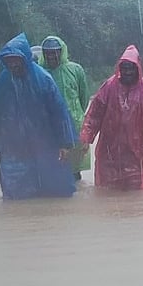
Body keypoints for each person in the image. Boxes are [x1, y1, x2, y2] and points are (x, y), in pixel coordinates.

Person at [0, 33, 77, 200]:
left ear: (25, 58)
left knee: (53, 190)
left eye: (16, 59)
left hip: (45, 142)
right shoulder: (3, 82)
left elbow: (59, 113)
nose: (13, 64)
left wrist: (64, 144)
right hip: (14, 147)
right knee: (16, 194)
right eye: (9, 60)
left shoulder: (44, 79)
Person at [79, 45, 143, 190]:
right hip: (109, 152)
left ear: (137, 69)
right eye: (124, 68)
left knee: (135, 194)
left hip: (137, 152)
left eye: (131, 68)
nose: (127, 72)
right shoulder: (108, 87)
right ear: (119, 68)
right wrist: (85, 139)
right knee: (105, 191)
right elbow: (94, 115)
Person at [39, 36, 90, 181]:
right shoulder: (39, 72)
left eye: (55, 52)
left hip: (74, 124)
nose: (52, 56)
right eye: (48, 52)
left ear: (61, 52)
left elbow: (84, 97)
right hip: (48, 127)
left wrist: (75, 115)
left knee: (74, 170)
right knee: (52, 168)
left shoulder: (75, 69)